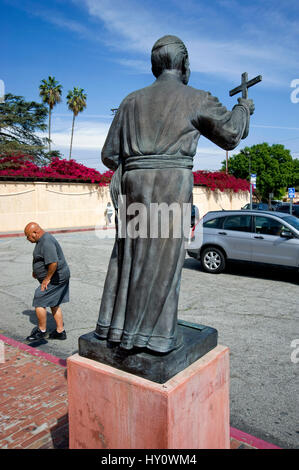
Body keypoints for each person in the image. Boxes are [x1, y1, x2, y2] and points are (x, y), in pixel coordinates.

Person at [94, 35, 255, 353]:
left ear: (155, 65)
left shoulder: (130, 101)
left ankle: (118, 330)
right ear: (184, 65)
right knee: (162, 262)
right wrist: (243, 107)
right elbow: (232, 134)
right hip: (170, 184)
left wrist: (139, 164)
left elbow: (109, 154)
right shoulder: (196, 98)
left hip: (133, 184)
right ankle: (153, 338)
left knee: (131, 256)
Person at [24, 222, 70, 341]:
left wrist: (47, 279)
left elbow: (53, 263)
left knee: (39, 298)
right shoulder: (42, 240)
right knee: (54, 302)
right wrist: (36, 270)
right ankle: (60, 331)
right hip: (57, 276)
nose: (27, 239)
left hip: (56, 278)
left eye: (28, 236)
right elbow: (41, 258)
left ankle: (41, 331)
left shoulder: (46, 242)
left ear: (35, 232)